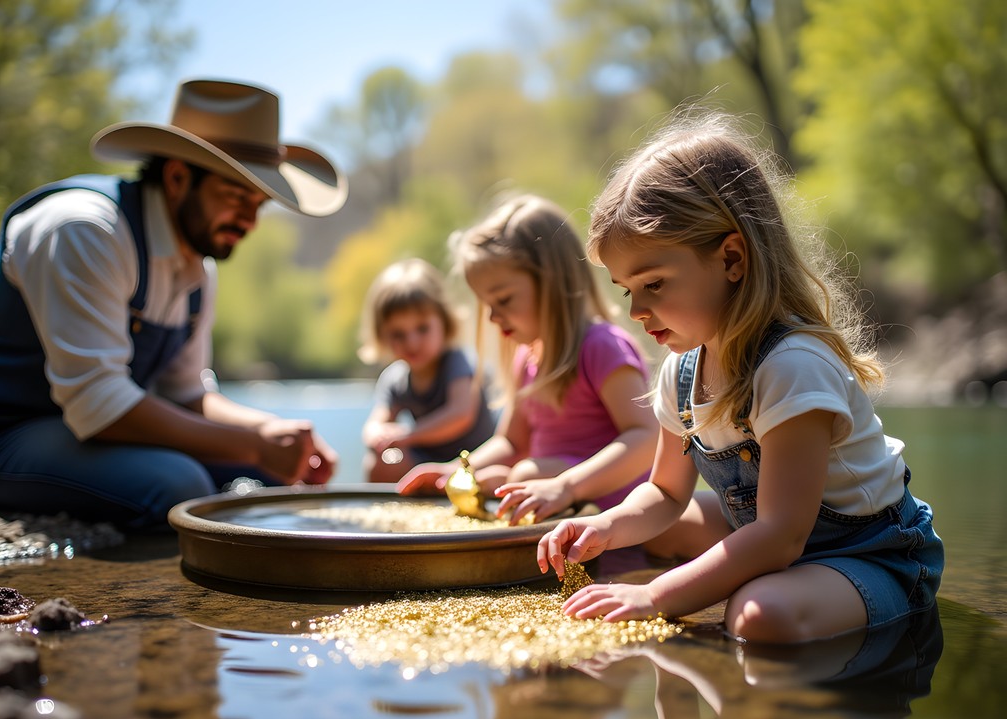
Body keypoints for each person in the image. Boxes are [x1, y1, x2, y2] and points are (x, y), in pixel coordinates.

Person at [537, 109, 944, 643]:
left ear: (732, 258)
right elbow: (663, 492)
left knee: (757, 617)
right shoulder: (680, 373)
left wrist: (656, 596)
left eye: (654, 284)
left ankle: (858, 607)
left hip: (869, 553)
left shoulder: (793, 366)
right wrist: (605, 526)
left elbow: (779, 537)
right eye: (625, 289)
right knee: (656, 536)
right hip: (777, 538)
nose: (635, 310)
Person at [0, 78, 348, 528]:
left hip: (80, 430)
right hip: (1, 433)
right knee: (178, 485)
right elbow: (98, 403)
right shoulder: (83, 230)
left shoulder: (198, 269)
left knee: (266, 471)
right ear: (177, 177)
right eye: (236, 197)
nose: (250, 222)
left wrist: (271, 432)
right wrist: (252, 445)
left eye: (260, 204)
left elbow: (187, 394)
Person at [397, 194, 658, 525]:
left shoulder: (602, 347)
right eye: (486, 304)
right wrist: (456, 470)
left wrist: (565, 486)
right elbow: (511, 440)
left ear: (553, 282)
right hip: (556, 508)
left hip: (611, 515)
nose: (492, 316)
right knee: (513, 474)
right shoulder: (528, 357)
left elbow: (646, 437)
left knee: (526, 471)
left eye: (503, 299)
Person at [359, 258, 495, 482]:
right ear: (382, 335)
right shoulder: (396, 378)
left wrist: (406, 435)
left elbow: (460, 414)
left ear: (444, 321)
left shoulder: (457, 362)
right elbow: (375, 423)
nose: (412, 343)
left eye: (422, 329)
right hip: (425, 463)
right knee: (380, 461)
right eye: (398, 334)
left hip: (474, 462)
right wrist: (377, 436)